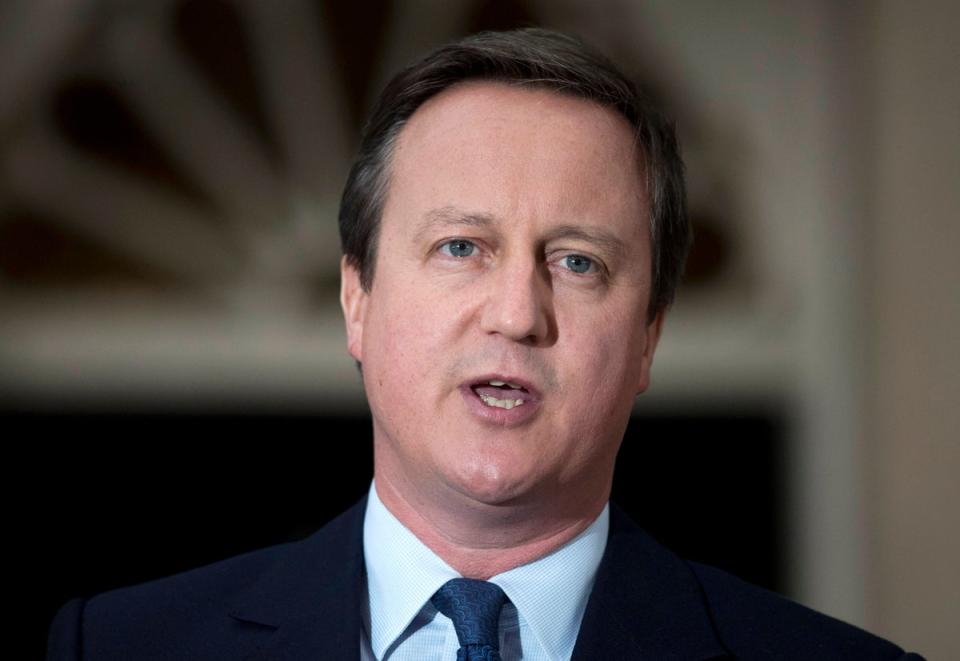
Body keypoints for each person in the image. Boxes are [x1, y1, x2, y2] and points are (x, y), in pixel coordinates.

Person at [47, 28, 922, 661]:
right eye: (462, 246)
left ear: (650, 334)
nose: (516, 313)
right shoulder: (117, 645)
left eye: (577, 261)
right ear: (357, 296)